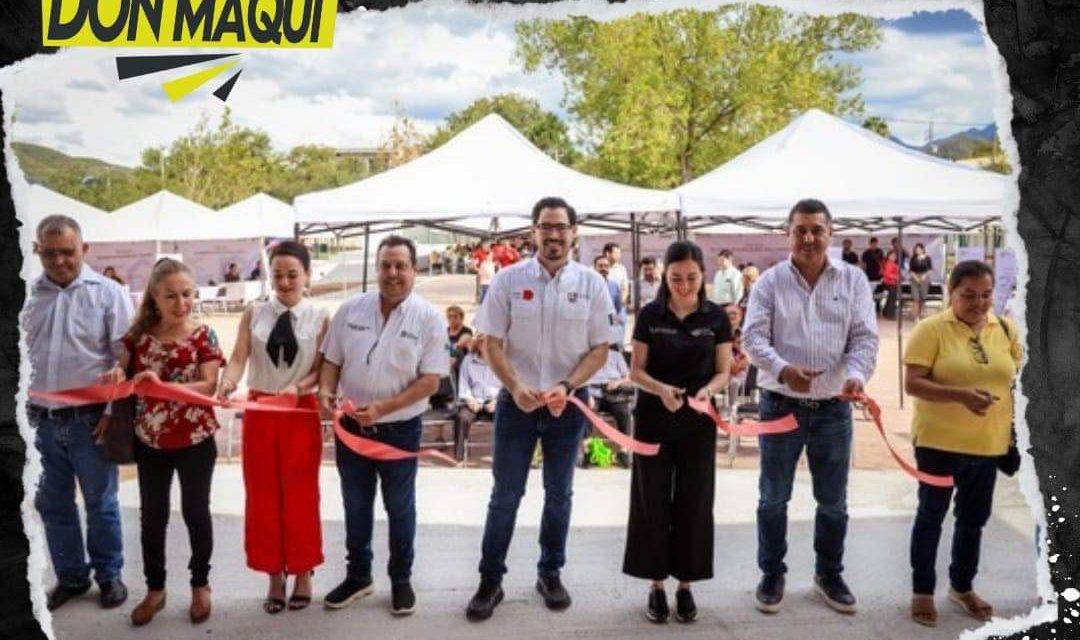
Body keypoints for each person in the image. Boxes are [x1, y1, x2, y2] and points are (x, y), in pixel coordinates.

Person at [464, 196, 613, 621]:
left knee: (560, 495)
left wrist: (568, 385)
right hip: (517, 404)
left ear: (573, 232)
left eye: (560, 227)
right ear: (533, 232)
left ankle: (550, 573)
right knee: (505, 495)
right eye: (545, 227)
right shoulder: (508, 280)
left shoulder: (592, 284)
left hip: (569, 404)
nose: (553, 234)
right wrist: (514, 385)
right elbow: (490, 342)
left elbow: (601, 349)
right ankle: (490, 581)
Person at [742, 198, 878, 615]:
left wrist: (856, 374)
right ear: (788, 233)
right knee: (772, 499)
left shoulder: (853, 281)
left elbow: (865, 338)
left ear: (830, 233)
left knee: (833, 501)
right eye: (800, 229)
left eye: (817, 229)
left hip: (834, 409)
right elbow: (752, 338)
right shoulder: (769, 282)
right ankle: (772, 573)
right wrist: (783, 371)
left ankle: (828, 573)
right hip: (780, 405)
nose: (808, 237)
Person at [318, 235, 449, 616]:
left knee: (399, 508)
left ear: (415, 270)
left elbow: (430, 381)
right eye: (386, 266)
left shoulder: (429, 318)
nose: (393, 273)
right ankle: (359, 576)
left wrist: (384, 408)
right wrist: (327, 391)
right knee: (356, 506)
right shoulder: (350, 310)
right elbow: (331, 360)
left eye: (401, 266)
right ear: (376, 269)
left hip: (399, 431)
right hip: (351, 430)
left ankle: (401, 580)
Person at [903, 260, 1021, 627]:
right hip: (938, 443)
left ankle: (962, 586)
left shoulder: (1004, 328)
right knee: (931, 516)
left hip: (988, 444)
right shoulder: (931, 330)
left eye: (986, 295)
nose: (979, 302)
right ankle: (922, 591)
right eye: (968, 295)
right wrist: (960, 396)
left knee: (973, 520)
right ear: (951, 292)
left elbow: (1015, 376)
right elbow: (913, 383)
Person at [25, 215, 134, 612]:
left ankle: (109, 576)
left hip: (91, 420)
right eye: (49, 253)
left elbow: (125, 357)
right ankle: (71, 577)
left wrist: (111, 409)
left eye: (67, 252)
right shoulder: (27, 296)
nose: (59, 261)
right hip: (39, 421)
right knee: (52, 504)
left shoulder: (108, 294)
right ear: (38, 251)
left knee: (100, 503)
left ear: (83, 249)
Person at [107, 258, 224, 626]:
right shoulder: (138, 337)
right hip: (151, 441)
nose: (180, 303)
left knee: (195, 513)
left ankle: (200, 585)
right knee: (152, 518)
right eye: (170, 295)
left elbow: (208, 386)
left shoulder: (204, 335)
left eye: (187, 294)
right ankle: (155, 590)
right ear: (154, 297)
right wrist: (115, 373)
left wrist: (162, 387)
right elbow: (122, 372)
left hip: (195, 440)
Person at [216, 241, 330, 615]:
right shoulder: (255, 313)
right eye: (277, 274)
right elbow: (237, 359)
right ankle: (273, 576)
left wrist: (298, 388)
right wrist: (229, 383)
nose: (284, 282)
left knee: (300, 494)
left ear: (307, 276)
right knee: (263, 496)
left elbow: (324, 370)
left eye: (292, 274)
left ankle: (302, 572)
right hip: (262, 410)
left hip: (300, 410)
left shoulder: (320, 316)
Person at [624, 240, 732, 623]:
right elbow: (636, 371)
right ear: (664, 277)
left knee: (695, 501)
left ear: (704, 276)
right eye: (675, 278)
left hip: (698, 422)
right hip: (654, 418)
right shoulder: (650, 315)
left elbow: (724, 370)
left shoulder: (716, 317)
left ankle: (685, 586)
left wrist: (709, 391)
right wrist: (660, 390)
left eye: (691, 277)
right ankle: (656, 585)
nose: (684, 285)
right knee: (651, 501)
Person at [583, 343, 635, 469]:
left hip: (613, 392)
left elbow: (629, 377)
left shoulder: (616, 356)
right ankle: (588, 452)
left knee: (623, 411)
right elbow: (581, 377)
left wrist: (618, 382)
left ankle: (623, 451)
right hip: (594, 392)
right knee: (587, 411)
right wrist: (588, 394)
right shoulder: (589, 356)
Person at [453, 340, 501, 462]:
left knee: (506, 418)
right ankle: (458, 459)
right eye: (482, 342)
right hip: (474, 400)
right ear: (477, 344)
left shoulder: (501, 359)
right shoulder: (468, 360)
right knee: (462, 418)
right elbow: (463, 384)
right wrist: (470, 400)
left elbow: (506, 386)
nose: (485, 345)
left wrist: (497, 401)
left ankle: (503, 457)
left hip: (494, 401)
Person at [594, 254, 627, 347]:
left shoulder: (614, 285)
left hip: (609, 325)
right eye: (600, 266)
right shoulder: (588, 285)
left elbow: (618, 309)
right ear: (594, 267)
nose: (603, 268)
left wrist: (615, 330)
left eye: (606, 266)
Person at [909, 243, 933, 320]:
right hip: (914, 278)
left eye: (919, 249)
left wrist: (924, 276)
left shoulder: (927, 258)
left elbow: (930, 269)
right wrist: (916, 277)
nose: (917, 250)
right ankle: (916, 316)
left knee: (922, 297)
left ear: (922, 249)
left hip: (924, 278)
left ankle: (919, 314)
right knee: (916, 298)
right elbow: (911, 270)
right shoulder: (913, 258)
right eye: (916, 249)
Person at [861, 238, 885, 313]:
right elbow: (863, 264)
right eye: (873, 243)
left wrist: (883, 271)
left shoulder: (880, 251)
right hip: (870, 275)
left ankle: (878, 307)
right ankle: (870, 307)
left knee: (879, 291)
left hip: (879, 275)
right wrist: (864, 274)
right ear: (870, 243)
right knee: (870, 292)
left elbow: (883, 262)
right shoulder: (866, 252)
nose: (874, 245)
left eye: (876, 243)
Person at [882, 249, 902, 320]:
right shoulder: (889, 263)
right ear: (888, 256)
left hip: (893, 283)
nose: (894, 257)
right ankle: (889, 315)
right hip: (891, 283)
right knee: (892, 299)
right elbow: (887, 274)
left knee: (890, 299)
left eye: (895, 256)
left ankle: (886, 313)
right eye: (892, 255)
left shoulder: (892, 263)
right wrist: (897, 277)